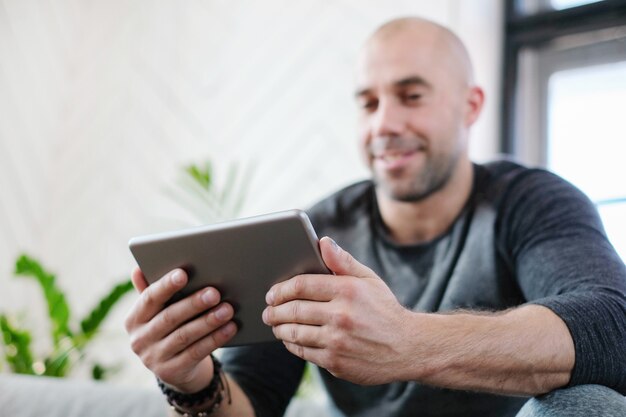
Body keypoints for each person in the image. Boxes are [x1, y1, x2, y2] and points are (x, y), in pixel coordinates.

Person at [124, 17, 626, 417]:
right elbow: (253, 400)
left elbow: (613, 326)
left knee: (589, 404)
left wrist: (408, 342)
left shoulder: (530, 202)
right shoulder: (316, 231)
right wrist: (192, 383)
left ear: (470, 106)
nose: (384, 124)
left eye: (411, 96)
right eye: (368, 103)